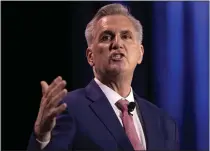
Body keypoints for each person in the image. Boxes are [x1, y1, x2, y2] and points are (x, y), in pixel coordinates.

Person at [27, 3, 179, 151]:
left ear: (140, 53)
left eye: (126, 36)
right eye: (106, 37)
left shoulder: (163, 122)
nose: (117, 43)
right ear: (90, 56)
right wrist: (42, 137)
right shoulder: (67, 108)